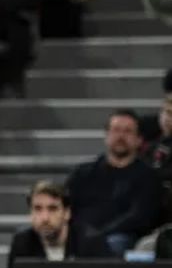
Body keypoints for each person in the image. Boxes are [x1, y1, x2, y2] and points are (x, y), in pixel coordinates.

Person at [64, 110, 163, 256]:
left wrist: (98, 234)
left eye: (128, 131)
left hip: (121, 238)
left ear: (139, 140)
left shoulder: (148, 177)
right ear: (106, 136)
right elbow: (65, 206)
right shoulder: (83, 173)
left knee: (114, 242)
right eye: (116, 130)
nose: (120, 136)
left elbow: (139, 217)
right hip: (80, 234)